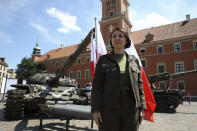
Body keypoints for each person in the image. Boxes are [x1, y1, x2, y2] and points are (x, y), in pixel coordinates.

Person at [91, 28, 146, 131]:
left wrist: (142, 107)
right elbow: (97, 87)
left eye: (121, 36)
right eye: (114, 36)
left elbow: (139, 85)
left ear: (126, 40)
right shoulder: (103, 60)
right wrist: (96, 110)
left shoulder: (134, 60)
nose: (117, 38)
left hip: (131, 107)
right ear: (111, 41)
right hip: (108, 108)